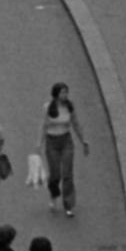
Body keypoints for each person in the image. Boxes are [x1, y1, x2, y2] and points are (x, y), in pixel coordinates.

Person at [40, 82, 89, 217]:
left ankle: (68, 204)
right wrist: (39, 144)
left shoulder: (70, 107)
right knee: (55, 174)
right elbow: (44, 126)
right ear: (56, 94)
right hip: (52, 142)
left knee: (68, 174)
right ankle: (54, 193)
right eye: (62, 92)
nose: (65, 95)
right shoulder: (48, 108)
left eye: (66, 92)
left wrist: (83, 140)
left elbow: (76, 124)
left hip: (66, 141)